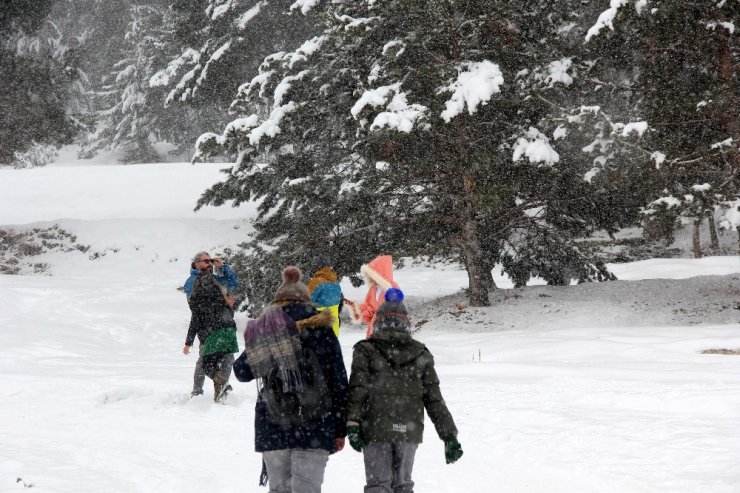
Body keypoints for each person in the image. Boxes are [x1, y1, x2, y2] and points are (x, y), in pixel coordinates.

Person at [234, 266, 348, 493]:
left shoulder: (267, 330)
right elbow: (338, 382)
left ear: (277, 301)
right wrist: (340, 429)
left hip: (274, 424)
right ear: (308, 300)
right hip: (316, 424)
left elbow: (242, 372)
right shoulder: (323, 330)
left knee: (279, 489)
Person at [346, 288, 463, 493]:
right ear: (406, 324)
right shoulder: (421, 353)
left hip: (375, 427)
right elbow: (434, 399)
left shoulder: (365, 350)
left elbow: (358, 388)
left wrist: (353, 422)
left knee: (378, 485)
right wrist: (449, 435)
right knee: (402, 485)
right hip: (408, 429)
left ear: (378, 323)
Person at [184, 251, 239, 397]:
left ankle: (220, 388)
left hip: (224, 324)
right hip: (207, 325)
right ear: (197, 264)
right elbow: (197, 307)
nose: (209, 264)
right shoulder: (193, 281)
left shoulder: (214, 279)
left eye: (210, 261)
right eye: (205, 261)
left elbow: (233, 283)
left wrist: (223, 267)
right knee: (204, 360)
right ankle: (198, 391)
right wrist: (224, 300)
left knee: (227, 359)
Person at [346, 254, 399, 338]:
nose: (370, 276)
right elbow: (370, 311)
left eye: (372, 273)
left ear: (379, 274)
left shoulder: (392, 289)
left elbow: (397, 312)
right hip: (374, 332)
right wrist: (355, 306)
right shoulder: (374, 289)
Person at [307, 266, 343, 337]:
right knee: (334, 324)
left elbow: (311, 297)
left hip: (320, 308)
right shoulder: (335, 282)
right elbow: (339, 296)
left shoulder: (316, 281)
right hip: (334, 307)